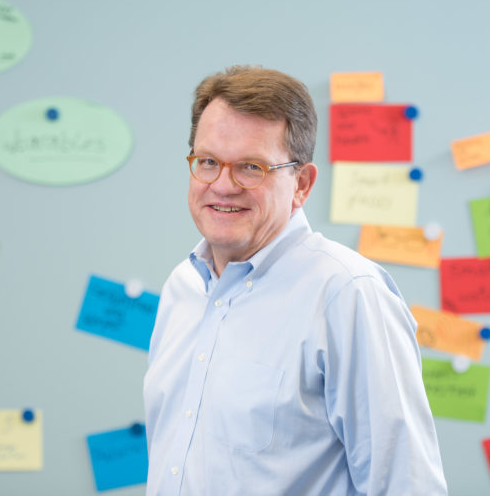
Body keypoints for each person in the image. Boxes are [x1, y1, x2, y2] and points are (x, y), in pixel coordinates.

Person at [143, 65, 447, 495]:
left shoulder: (348, 294)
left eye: (251, 167)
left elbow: (405, 484)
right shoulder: (182, 288)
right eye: (207, 161)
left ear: (301, 184)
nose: (223, 186)